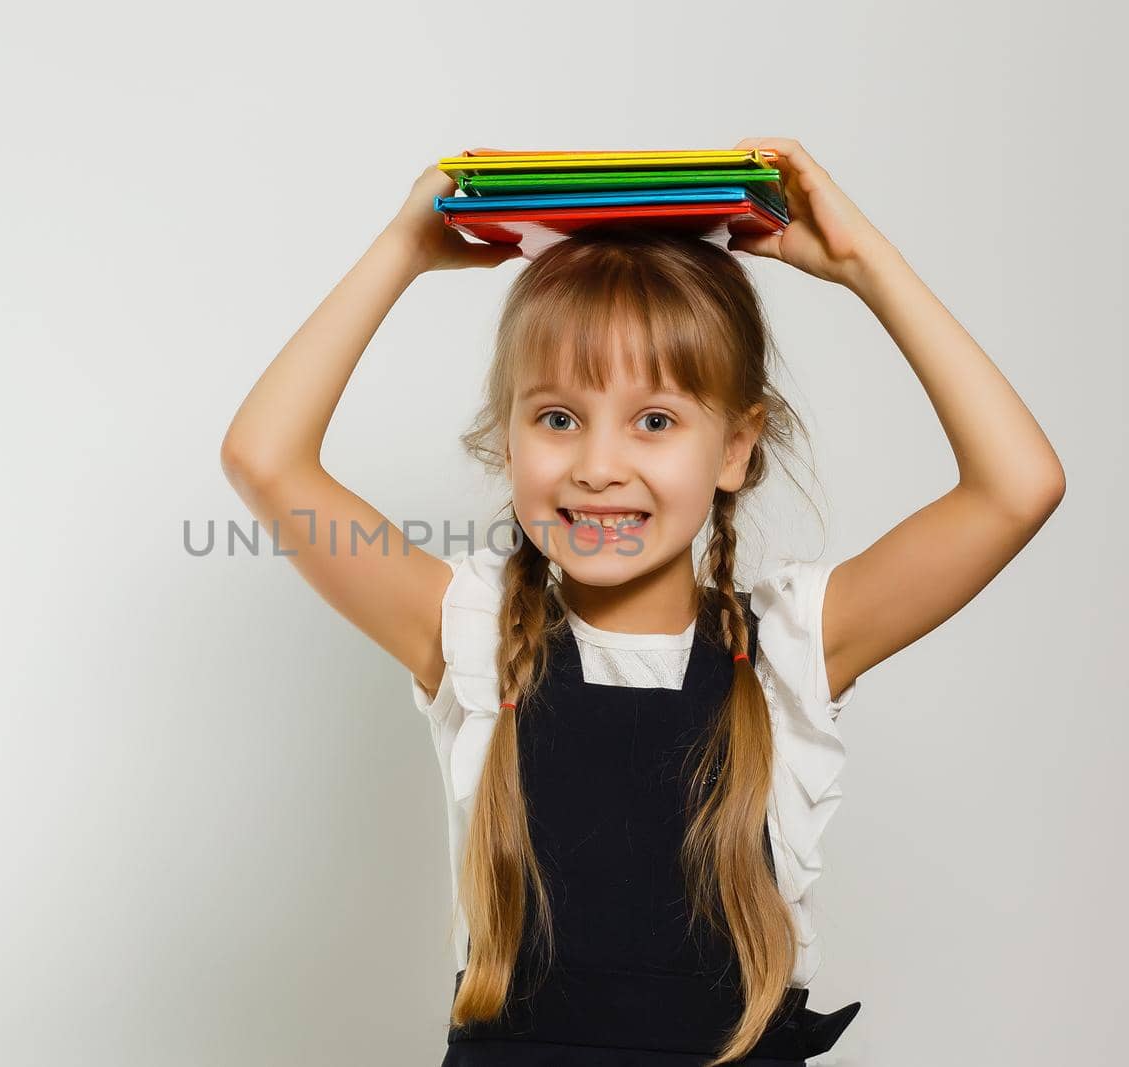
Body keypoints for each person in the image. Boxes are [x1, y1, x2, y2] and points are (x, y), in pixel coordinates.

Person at [220, 138, 1065, 1066]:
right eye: (557, 417)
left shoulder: (792, 647)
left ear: (737, 447)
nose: (598, 464)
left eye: (655, 420)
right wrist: (402, 252)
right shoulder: (467, 632)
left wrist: (866, 266)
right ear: (508, 441)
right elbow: (267, 458)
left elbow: (1016, 486)